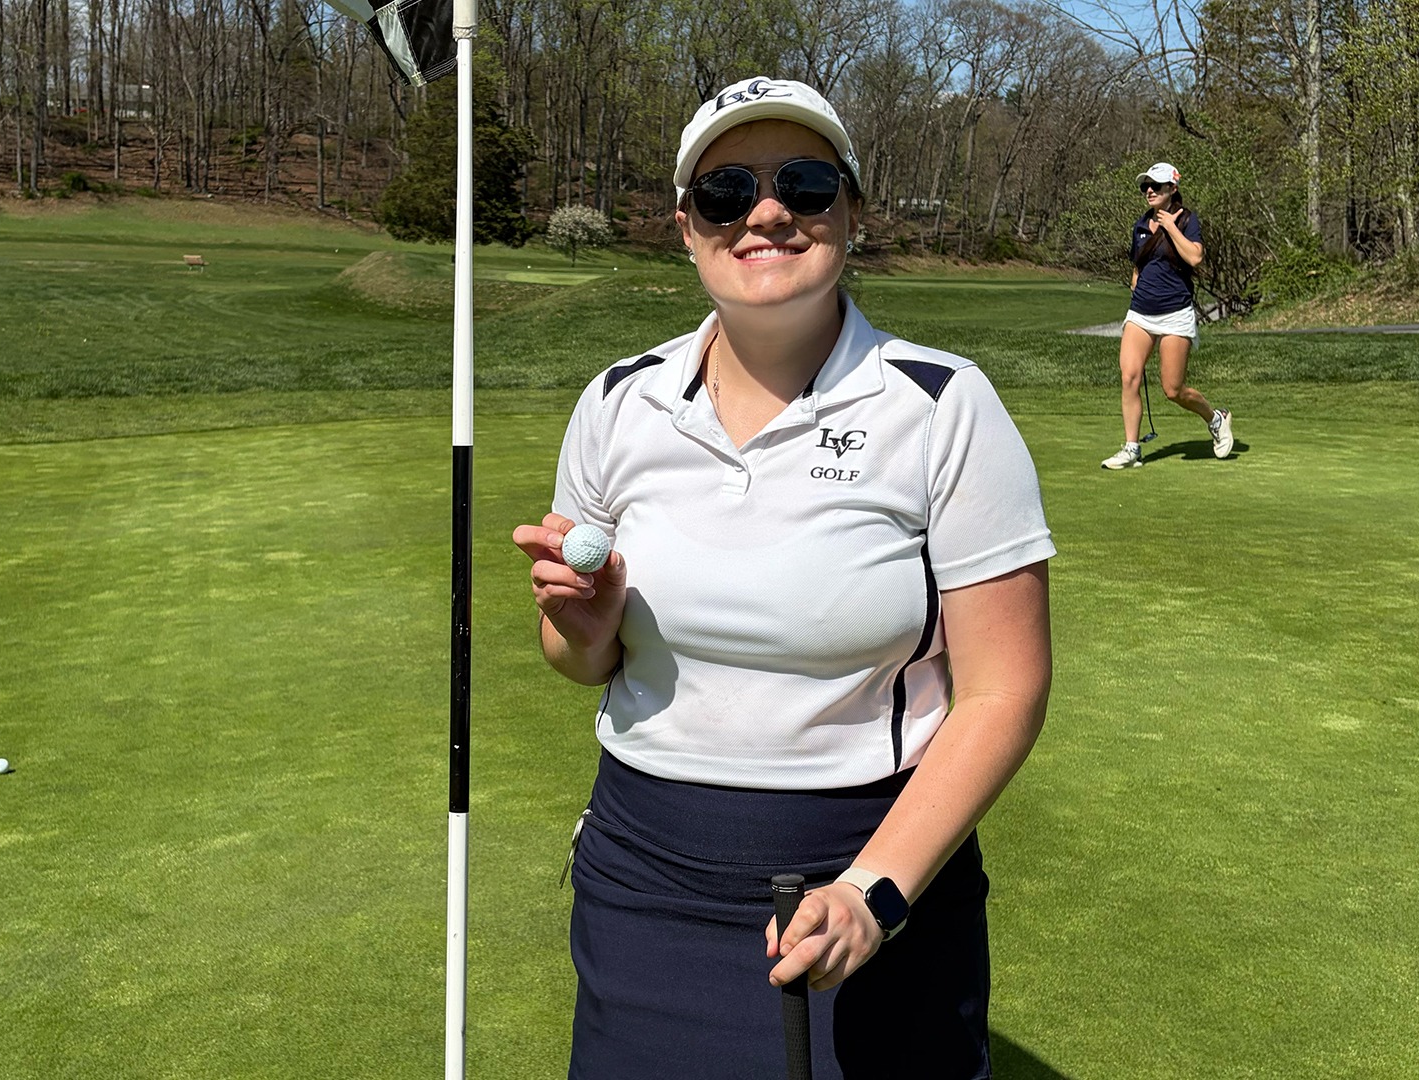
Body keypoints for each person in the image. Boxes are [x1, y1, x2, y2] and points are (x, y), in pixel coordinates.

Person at [512, 76, 1055, 1079]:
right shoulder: (619, 402)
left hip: (863, 869)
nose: (765, 212)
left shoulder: (943, 406)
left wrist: (876, 892)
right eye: (726, 191)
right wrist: (583, 627)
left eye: (803, 184)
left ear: (851, 209)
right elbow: (578, 661)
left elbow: (1003, 685)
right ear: (687, 228)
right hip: (643, 873)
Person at [1100, 162, 1235, 470]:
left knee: (1173, 390)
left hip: (1176, 312)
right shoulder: (1139, 225)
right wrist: (1137, 280)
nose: (1149, 190)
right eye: (1145, 186)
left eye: (1156, 185)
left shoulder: (1187, 220)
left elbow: (1195, 257)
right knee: (1129, 376)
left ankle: (1216, 418)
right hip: (1141, 313)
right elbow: (1138, 263)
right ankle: (1131, 448)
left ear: (1172, 189)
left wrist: (1170, 227)